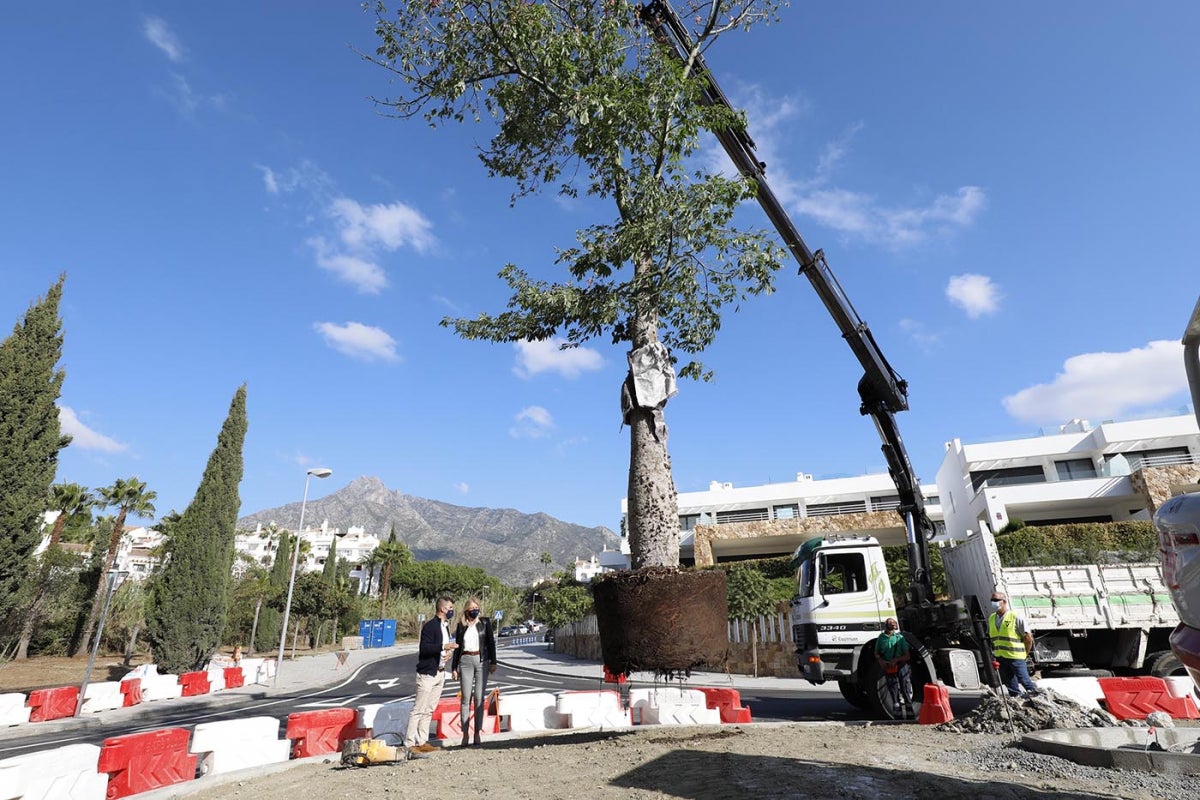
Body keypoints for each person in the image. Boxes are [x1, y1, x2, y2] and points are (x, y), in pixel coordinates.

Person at [405, 596, 457, 757]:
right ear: (442, 609)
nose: (451, 611)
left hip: (440, 673)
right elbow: (425, 648)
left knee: (429, 710)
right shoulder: (430, 626)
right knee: (418, 710)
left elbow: (442, 649)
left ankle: (422, 741)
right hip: (427, 674)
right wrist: (444, 646)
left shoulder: (445, 626)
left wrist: (447, 653)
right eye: (449, 607)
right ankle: (409, 743)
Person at [451, 595, 498, 746]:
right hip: (465, 661)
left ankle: (477, 733)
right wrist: (454, 667)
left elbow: (491, 643)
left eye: (476, 608)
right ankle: (465, 734)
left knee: (479, 698)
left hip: (481, 661)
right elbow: (457, 648)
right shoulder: (461, 625)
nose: (474, 611)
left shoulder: (485, 623)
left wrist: (493, 662)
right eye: (471, 608)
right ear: (466, 610)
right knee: (465, 698)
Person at [988, 590, 1039, 697]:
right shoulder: (992, 618)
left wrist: (1025, 653)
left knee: (1025, 681)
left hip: (1016, 657)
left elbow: (1028, 638)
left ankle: (1039, 699)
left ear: (1004, 602)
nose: (994, 602)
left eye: (996, 600)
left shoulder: (1015, 616)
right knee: (1009, 683)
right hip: (1000, 656)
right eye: (992, 600)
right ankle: (1017, 701)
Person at [874, 617, 913, 716]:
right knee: (893, 687)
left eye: (894, 622)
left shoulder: (900, 638)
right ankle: (897, 710)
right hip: (889, 666)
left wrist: (896, 660)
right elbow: (877, 653)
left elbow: (907, 656)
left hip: (901, 665)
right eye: (890, 622)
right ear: (886, 625)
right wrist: (881, 661)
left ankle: (909, 710)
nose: (893, 624)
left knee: (905, 686)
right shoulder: (881, 638)